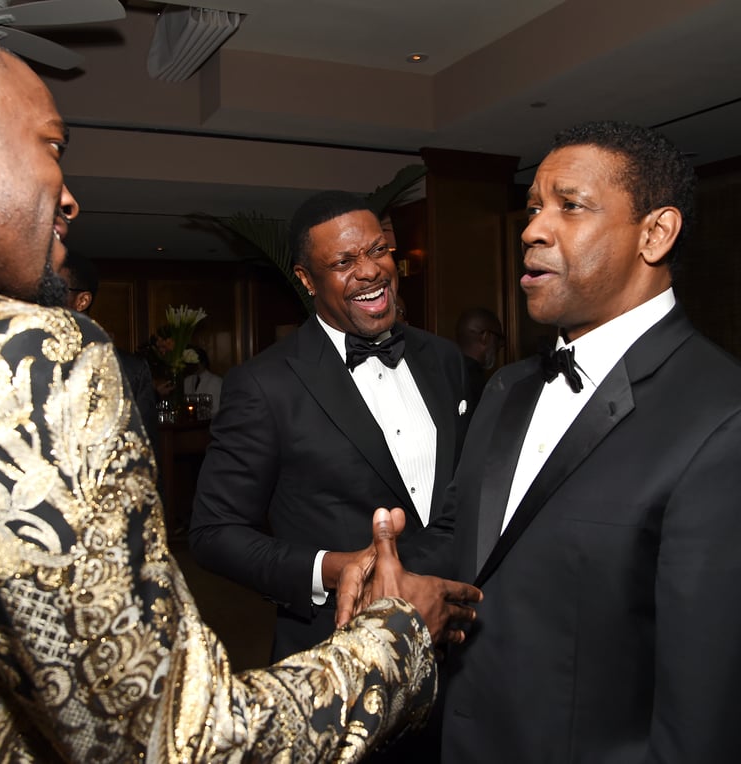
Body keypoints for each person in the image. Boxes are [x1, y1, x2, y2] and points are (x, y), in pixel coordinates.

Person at [0, 18, 483, 762]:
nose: (70, 196)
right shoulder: (31, 353)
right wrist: (399, 633)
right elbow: (175, 736)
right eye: (52, 144)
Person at [438, 120, 741, 762]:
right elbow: (490, 560)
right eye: (532, 208)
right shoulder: (505, 390)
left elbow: (718, 722)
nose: (531, 230)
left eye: (569, 206)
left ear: (655, 234)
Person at [189, 190, 474, 758]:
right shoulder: (265, 385)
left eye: (379, 251)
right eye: (344, 262)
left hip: (458, 644)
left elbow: (465, 495)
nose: (371, 270)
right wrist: (332, 567)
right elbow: (212, 532)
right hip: (339, 662)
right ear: (306, 279)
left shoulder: (445, 361)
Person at [59, 250, 161, 462]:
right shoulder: (22, 355)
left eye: (56, 288)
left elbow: (145, 453)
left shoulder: (129, 368)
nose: (44, 297)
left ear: (82, 300)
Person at [455, 306, 504, 406]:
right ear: (485, 337)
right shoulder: (482, 387)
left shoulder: (442, 374)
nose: (501, 345)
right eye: (499, 338)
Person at [182, 345, 223, 416]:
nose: (191, 366)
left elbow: (217, 410)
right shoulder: (187, 381)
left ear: (203, 363)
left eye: (194, 362)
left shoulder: (216, 382)